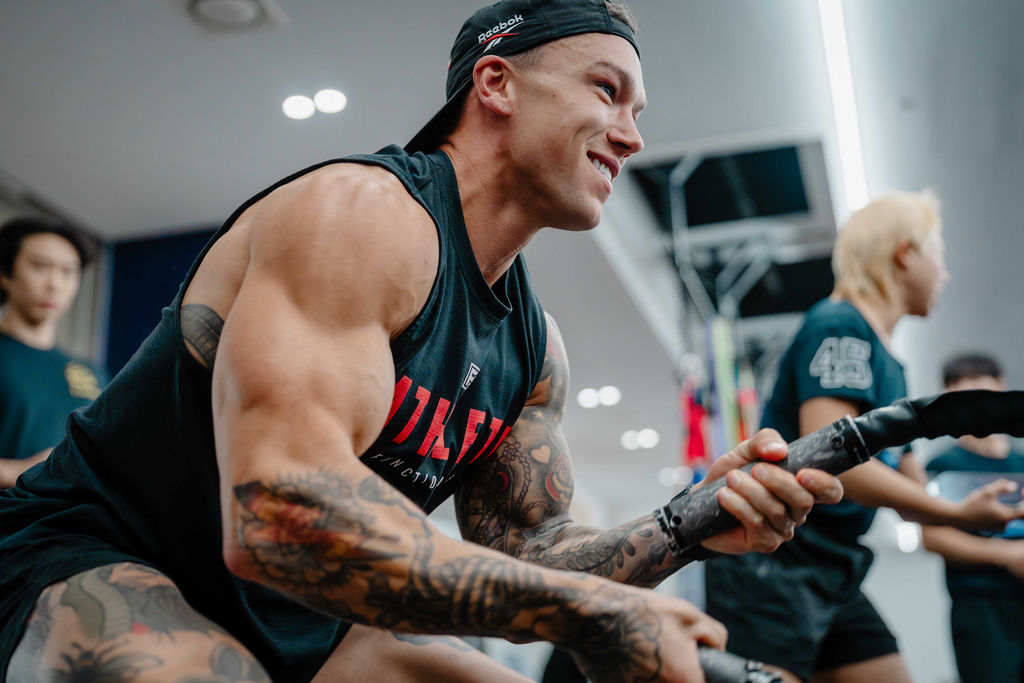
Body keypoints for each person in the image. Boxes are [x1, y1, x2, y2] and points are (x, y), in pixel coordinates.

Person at [0, 3, 852, 682]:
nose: (631, 134)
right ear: (497, 82)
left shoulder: (533, 347)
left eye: (636, 109)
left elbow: (531, 551)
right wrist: (587, 613)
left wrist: (690, 522)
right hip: (93, 552)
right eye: (605, 89)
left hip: (296, 613)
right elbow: (279, 517)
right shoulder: (361, 216)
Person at [704, 191, 1024, 683]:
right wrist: (956, 513)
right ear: (905, 253)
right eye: (939, 255)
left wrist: (963, 508)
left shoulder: (893, 367)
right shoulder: (840, 325)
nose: (946, 274)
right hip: (775, 562)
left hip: (834, 568)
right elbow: (828, 455)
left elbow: (914, 493)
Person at [921, 352, 1024, 683]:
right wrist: (1006, 555)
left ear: (1002, 389)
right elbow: (933, 536)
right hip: (981, 607)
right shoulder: (944, 466)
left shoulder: (1020, 461)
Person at [0, 217, 105, 488]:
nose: (55, 284)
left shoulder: (92, 373)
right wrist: (18, 471)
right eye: (40, 267)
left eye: (68, 271)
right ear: (6, 273)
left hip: (75, 527)